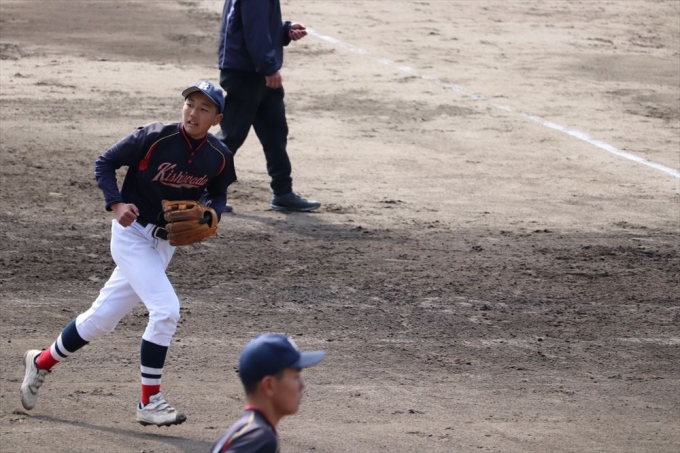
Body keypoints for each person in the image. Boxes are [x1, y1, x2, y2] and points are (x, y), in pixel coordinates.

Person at [20, 80, 237, 427]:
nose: (193, 113)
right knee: (166, 311)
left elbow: (218, 193)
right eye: (190, 104)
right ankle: (149, 403)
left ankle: (40, 362)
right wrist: (116, 203)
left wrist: (214, 213)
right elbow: (105, 162)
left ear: (217, 119)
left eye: (204, 108)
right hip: (132, 235)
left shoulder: (219, 155)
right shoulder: (154, 137)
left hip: (165, 245)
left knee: (101, 319)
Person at [217, 0, 321, 212]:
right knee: (231, 135)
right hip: (246, 72)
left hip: (256, 70)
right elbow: (254, 29)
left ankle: (283, 192)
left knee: (275, 133)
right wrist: (268, 68)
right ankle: (201, 189)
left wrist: (284, 31)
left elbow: (255, 23)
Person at [210, 334, 325, 452]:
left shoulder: (241, 432)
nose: (302, 386)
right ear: (269, 385)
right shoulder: (259, 439)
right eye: (295, 377)